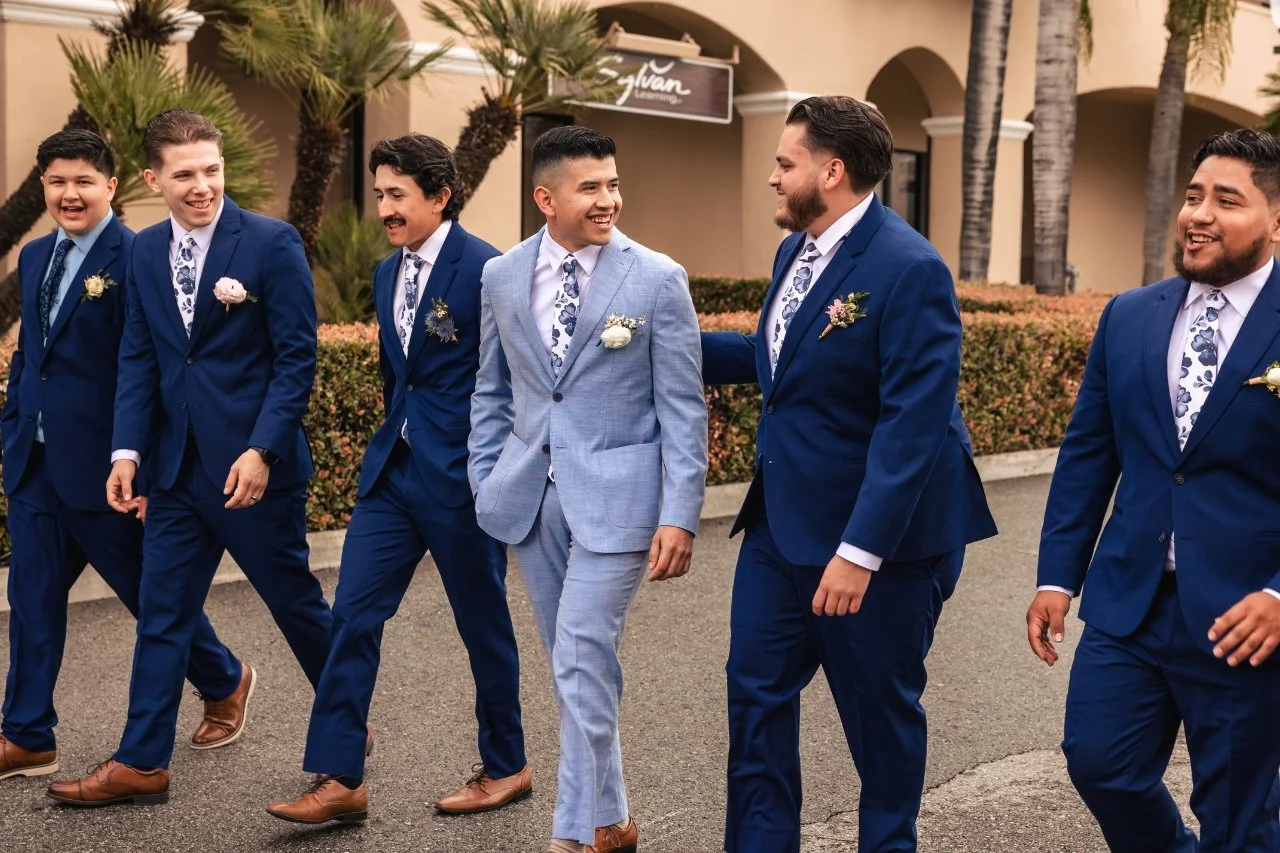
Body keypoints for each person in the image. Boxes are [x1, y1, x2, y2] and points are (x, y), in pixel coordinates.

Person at [701, 95, 997, 853]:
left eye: (784, 163)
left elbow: (914, 424)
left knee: (881, 720)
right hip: (779, 525)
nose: (772, 177)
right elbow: (782, 358)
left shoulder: (910, 269)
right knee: (755, 699)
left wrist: (860, 552)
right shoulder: (795, 250)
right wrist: (665, 340)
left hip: (883, 544)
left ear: (830, 172)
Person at [46, 108, 333, 806]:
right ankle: (142, 760)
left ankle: (344, 740)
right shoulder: (143, 251)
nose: (201, 185)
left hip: (253, 474)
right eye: (184, 174)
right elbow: (140, 355)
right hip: (174, 471)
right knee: (162, 610)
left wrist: (263, 449)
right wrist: (126, 451)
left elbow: (297, 358)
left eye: (211, 169)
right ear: (153, 179)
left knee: (296, 605)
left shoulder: (271, 242)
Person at [1027, 128, 1280, 852]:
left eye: (1226, 200)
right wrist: (1056, 575)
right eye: (1193, 195)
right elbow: (1088, 454)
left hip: (1245, 615)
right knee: (1101, 764)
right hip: (1130, 602)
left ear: (1275, 220)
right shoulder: (1130, 315)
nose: (1198, 213)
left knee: (1239, 811)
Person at [265, 133, 529, 825]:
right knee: (352, 614)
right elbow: (398, 376)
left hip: (463, 478)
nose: (384, 206)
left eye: (397, 194)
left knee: (483, 626)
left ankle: (507, 764)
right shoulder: (388, 275)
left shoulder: (489, 269)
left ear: (439, 196)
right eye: (379, 193)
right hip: (393, 476)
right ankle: (339, 775)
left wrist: (495, 470)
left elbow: (520, 380)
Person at [468, 125, 707, 853]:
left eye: (613, 184)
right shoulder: (502, 276)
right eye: (590, 187)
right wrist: (486, 474)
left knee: (578, 652)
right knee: (578, 666)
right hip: (531, 498)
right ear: (546, 197)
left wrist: (681, 511)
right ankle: (614, 819)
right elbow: (491, 387)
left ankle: (571, 834)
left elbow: (683, 405)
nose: (609, 199)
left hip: (623, 500)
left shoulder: (657, 277)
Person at [0, 129, 246, 782]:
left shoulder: (140, 257)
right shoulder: (33, 258)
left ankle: (225, 677)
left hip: (113, 471)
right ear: (43, 186)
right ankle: (26, 734)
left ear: (112, 185)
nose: (69, 193)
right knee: (30, 599)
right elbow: (32, 357)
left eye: (83, 180)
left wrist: (142, 464)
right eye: (56, 181)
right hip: (36, 465)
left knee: (151, 598)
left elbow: (162, 369)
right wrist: (11, 431)